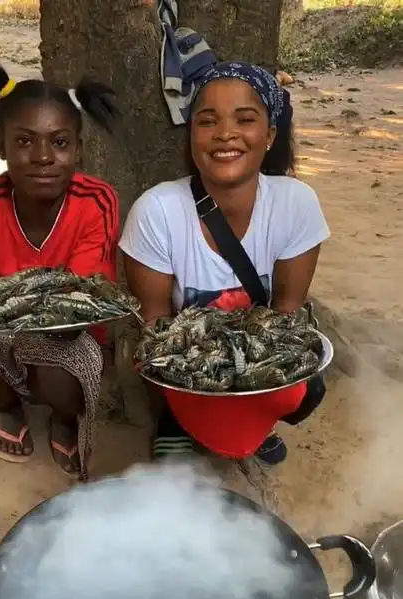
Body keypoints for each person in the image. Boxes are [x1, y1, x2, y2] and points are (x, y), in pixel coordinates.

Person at [119, 62, 330, 465]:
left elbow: (287, 315)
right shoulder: (156, 211)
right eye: (207, 121)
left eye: (245, 119)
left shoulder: (296, 204)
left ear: (269, 135)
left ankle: (256, 418)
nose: (225, 133)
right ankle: (174, 422)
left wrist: (251, 384)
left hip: (255, 354)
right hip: (187, 365)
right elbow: (154, 326)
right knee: (152, 361)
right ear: (191, 136)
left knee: (306, 390)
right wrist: (191, 377)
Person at [0, 61, 120, 480]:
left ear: (79, 149)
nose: (44, 157)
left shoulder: (97, 202)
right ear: (0, 146)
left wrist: (33, 322)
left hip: (65, 332)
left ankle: (63, 418)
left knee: (62, 379)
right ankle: (9, 406)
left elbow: (79, 300)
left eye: (60, 142)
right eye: (25, 142)